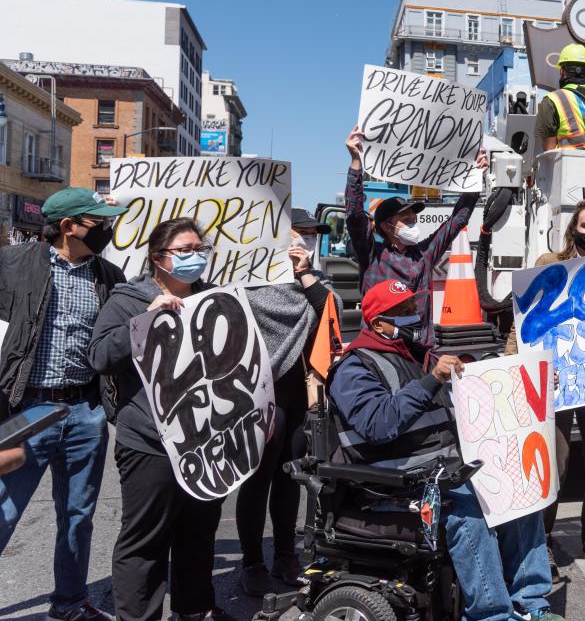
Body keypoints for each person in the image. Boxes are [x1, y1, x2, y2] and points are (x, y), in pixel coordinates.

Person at [327, 280, 565, 621]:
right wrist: (430, 382)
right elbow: (378, 425)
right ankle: (491, 615)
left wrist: (535, 383)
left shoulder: (418, 355)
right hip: (394, 480)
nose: (414, 317)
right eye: (404, 312)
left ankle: (530, 601)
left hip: (442, 466)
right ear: (378, 323)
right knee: (469, 506)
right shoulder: (355, 367)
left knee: (519, 488)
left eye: (413, 309)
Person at [89, 217, 232, 621]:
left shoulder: (214, 299)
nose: (195, 257)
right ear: (158, 258)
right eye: (184, 250)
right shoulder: (129, 300)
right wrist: (145, 321)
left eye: (199, 250)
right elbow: (100, 357)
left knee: (198, 534)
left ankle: (194, 609)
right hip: (151, 443)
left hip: (205, 442)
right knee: (145, 541)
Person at [0, 187, 128, 621]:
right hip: (27, 412)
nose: (107, 229)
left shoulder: (110, 277)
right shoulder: (13, 266)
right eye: (98, 223)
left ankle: (69, 604)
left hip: (86, 413)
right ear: (68, 226)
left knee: (78, 516)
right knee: (4, 512)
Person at [504, 200, 585, 582]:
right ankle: (542, 541)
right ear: (573, 229)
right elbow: (524, 321)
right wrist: (517, 365)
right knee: (554, 467)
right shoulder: (550, 264)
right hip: (557, 385)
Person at [237, 208, 343, 596]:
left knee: (290, 478)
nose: (308, 241)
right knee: (258, 480)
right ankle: (251, 562)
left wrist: (305, 275)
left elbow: (328, 317)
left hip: (300, 392)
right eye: (301, 233)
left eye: (314, 235)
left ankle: (285, 555)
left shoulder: (315, 281)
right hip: (261, 392)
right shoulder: (250, 285)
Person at [344, 127, 488, 359]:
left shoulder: (424, 253)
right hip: (379, 349)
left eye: (414, 218)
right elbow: (353, 216)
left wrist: (474, 179)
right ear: (386, 227)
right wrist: (355, 164)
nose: (413, 223)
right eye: (406, 219)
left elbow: (457, 220)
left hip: (419, 349)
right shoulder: (372, 255)